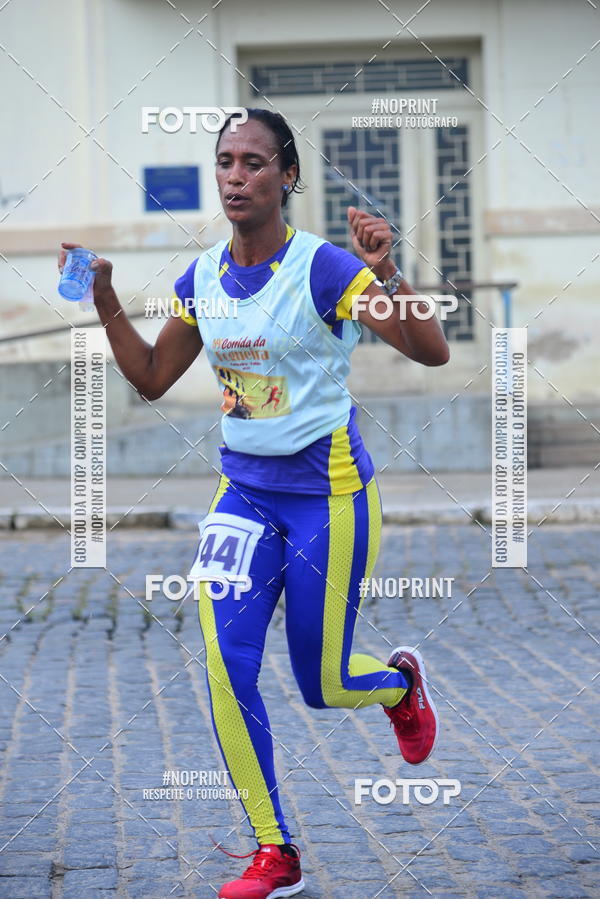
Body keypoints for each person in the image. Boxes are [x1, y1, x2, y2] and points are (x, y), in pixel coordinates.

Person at [59, 107, 449, 899]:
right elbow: (153, 377)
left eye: (254, 162)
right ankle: (275, 851)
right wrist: (104, 297)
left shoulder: (327, 269)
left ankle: (401, 686)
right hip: (242, 496)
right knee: (224, 662)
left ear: (287, 176)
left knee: (324, 681)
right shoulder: (200, 279)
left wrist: (389, 274)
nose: (236, 176)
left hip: (328, 497)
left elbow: (431, 349)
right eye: (225, 162)